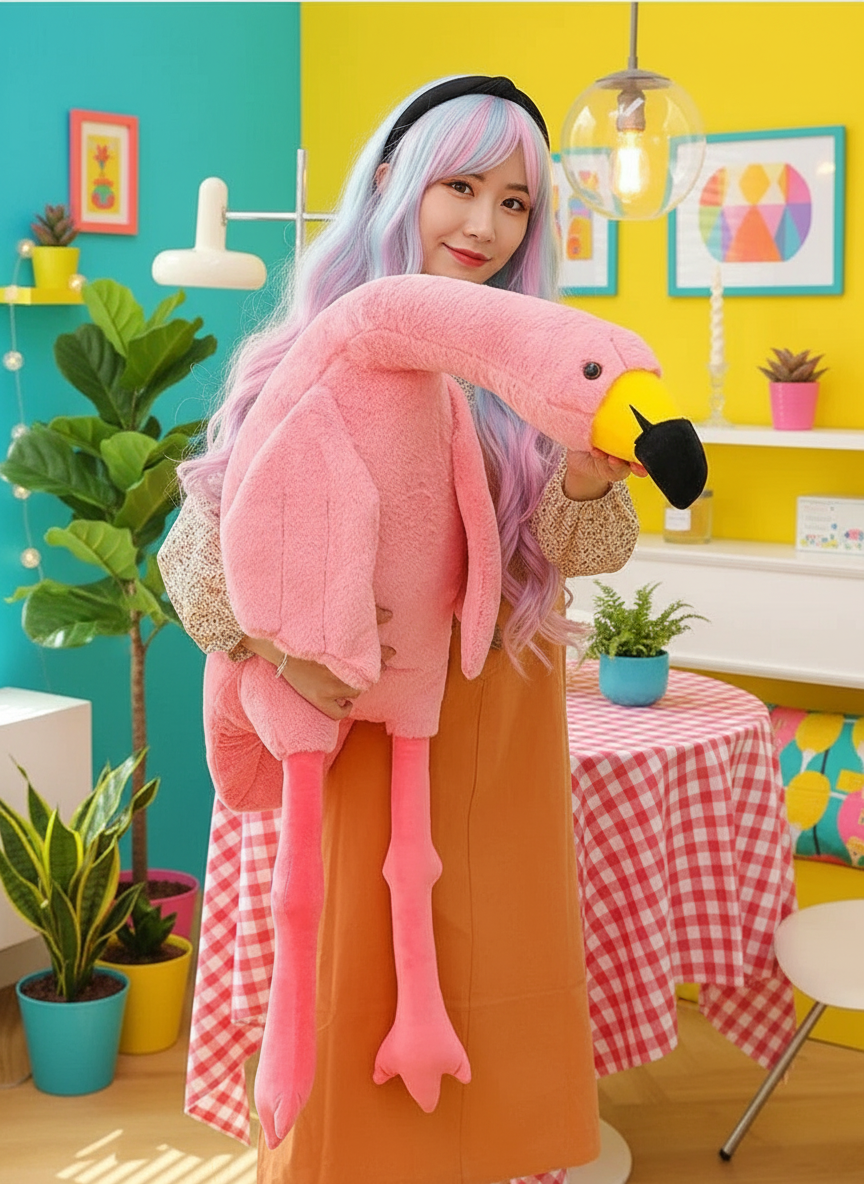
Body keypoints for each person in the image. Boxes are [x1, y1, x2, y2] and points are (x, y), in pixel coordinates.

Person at [159, 75, 644, 1184]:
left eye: (515, 202)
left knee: (496, 968)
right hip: (357, 730)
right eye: (459, 187)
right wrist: (285, 645)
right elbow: (194, 556)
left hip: (503, 719)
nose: (483, 224)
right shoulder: (303, 358)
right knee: (356, 974)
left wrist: (579, 475)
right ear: (391, 185)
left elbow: (587, 553)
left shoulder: (524, 372)